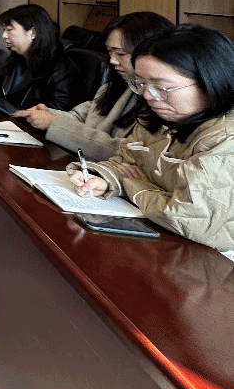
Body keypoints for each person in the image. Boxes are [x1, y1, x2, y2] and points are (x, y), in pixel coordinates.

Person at [68, 24, 234, 253]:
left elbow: (186, 219)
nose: (147, 95)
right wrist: (103, 179)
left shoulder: (226, 140)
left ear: (210, 81)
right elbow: (127, 162)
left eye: (161, 87)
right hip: (163, 238)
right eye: (141, 84)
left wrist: (134, 184)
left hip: (212, 259)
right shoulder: (160, 117)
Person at [16, 11, 173, 159]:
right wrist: (48, 114)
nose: (112, 60)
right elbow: (81, 117)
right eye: (110, 52)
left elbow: (126, 152)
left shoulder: (163, 102)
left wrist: (54, 123)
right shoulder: (115, 87)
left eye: (120, 53)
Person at [0, 4, 83, 115]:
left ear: (33, 33)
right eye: (4, 30)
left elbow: (50, 118)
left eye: (9, 30)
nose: (4, 35)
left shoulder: (63, 72)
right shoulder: (18, 59)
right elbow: (6, 94)